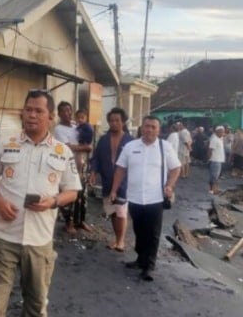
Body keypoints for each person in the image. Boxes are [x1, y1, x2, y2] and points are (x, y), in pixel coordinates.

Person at [0, 89, 81, 317]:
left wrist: (53, 201)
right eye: (28, 109)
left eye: (39, 111)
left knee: (36, 306)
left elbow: (72, 191)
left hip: (39, 240)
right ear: (22, 113)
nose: (32, 115)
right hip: (4, 237)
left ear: (50, 116)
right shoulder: (6, 143)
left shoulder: (62, 151)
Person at [109, 116, 180, 282]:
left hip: (155, 198)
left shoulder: (165, 147)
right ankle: (140, 259)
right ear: (142, 128)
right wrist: (114, 190)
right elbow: (120, 169)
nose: (149, 130)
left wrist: (169, 185)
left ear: (158, 130)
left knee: (153, 233)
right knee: (139, 231)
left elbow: (176, 168)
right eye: (147, 126)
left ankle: (149, 266)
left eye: (153, 127)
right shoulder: (130, 146)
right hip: (134, 197)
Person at [89, 108, 133, 252]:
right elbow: (96, 158)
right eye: (111, 120)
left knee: (121, 211)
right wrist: (93, 173)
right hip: (107, 180)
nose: (114, 123)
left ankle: (121, 241)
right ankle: (116, 238)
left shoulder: (130, 141)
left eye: (117, 120)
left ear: (123, 122)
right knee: (112, 211)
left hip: (124, 181)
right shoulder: (103, 139)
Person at [54, 101, 92, 234]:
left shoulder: (76, 125)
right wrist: (86, 148)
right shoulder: (59, 129)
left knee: (83, 193)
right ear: (58, 114)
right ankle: (68, 222)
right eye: (63, 111)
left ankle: (80, 221)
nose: (67, 113)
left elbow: (85, 136)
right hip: (68, 164)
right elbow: (67, 146)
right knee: (70, 192)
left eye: (69, 110)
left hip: (81, 162)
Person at [207, 126, 226, 194]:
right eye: (221, 131)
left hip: (219, 160)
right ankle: (211, 190)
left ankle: (215, 189)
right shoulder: (214, 139)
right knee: (214, 176)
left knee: (217, 176)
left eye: (223, 131)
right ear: (217, 132)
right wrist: (209, 159)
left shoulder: (220, 139)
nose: (222, 133)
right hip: (215, 160)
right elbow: (210, 150)